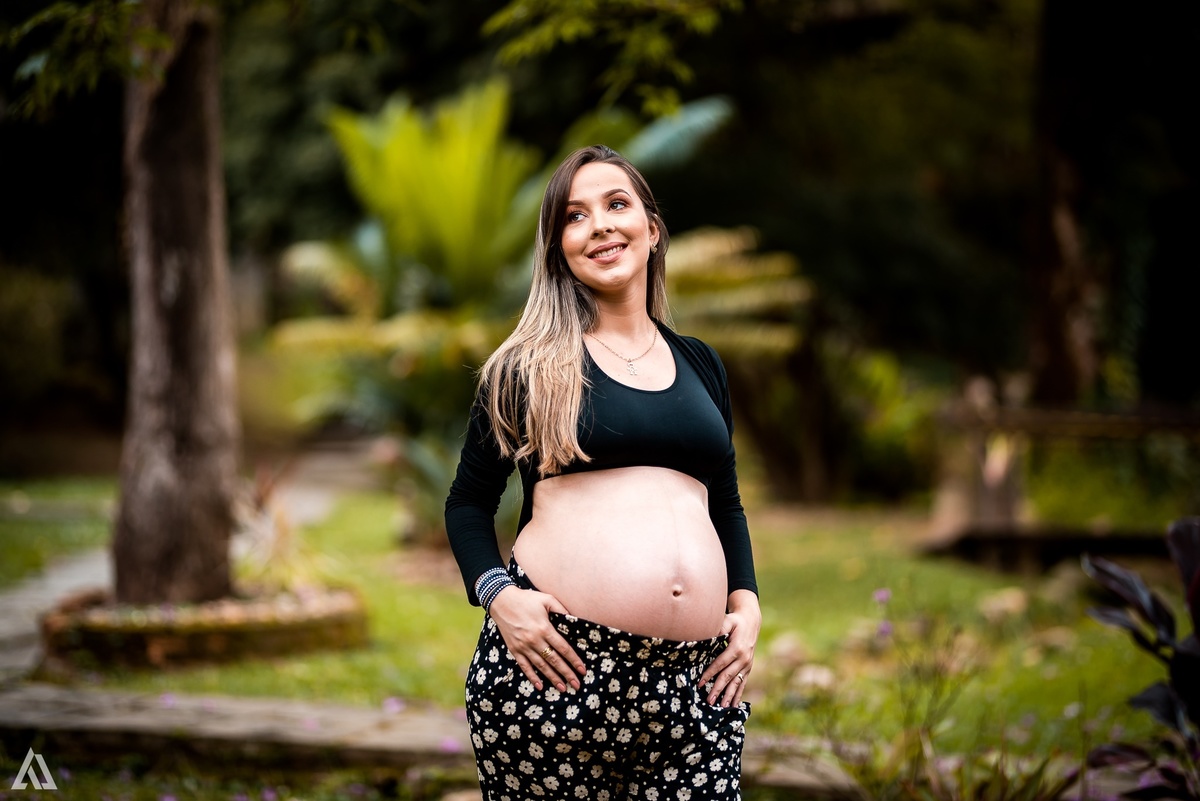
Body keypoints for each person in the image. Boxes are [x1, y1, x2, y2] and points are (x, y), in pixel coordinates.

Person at [445, 144, 760, 801]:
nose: (600, 226)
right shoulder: (528, 366)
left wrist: (747, 602)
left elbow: (724, 504)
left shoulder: (701, 363)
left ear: (653, 228)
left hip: (693, 686)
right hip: (558, 670)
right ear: (559, 247)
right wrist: (501, 597)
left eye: (617, 204)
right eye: (575, 215)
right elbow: (469, 503)